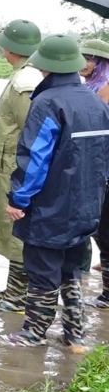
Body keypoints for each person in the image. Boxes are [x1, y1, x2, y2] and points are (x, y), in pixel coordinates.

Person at [0, 35, 109, 349]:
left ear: (45, 68)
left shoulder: (47, 102)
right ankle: (75, 334)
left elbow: (35, 158)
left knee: (42, 270)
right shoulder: (96, 102)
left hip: (50, 207)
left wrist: (18, 199)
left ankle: (33, 332)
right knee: (70, 269)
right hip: (87, 206)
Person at [0, 19, 42, 313]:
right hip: (8, 163)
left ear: (9, 48)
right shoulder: (23, 76)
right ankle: (14, 290)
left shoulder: (26, 81)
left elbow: (32, 128)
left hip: (14, 167)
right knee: (10, 229)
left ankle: (17, 296)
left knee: (16, 231)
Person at [81, 39, 109, 309]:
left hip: (105, 169)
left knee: (105, 230)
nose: (82, 63)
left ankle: (108, 296)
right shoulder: (90, 86)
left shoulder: (105, 87)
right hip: (98, 167)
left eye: (88, 59)